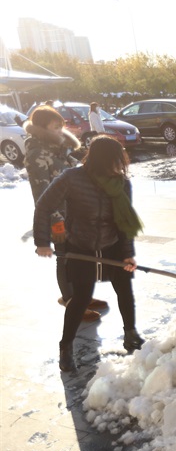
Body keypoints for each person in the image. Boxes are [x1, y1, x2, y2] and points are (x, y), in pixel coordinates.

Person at [33, 136, 145, 372]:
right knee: (81, 297)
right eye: (116, 159)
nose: (121, 163)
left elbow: (124, 223)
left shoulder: (121, 183)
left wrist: (127, 254)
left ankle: (131, 334)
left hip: (112, 244)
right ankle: (66, 348)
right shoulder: (72, 178)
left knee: (124, 288)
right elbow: (44, 206)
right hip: (81, 246)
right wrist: (42, 241)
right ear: (103, 160)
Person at [24, 105, 105, 322]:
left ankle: (82, 296)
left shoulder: (59, 148)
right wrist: (55, 221)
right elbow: (41, 193)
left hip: (76, 213)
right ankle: (71, 301)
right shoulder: (37, 154)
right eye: (55, 126)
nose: (61, 130)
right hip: (58, 217)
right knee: (66, 258)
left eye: (61, 126)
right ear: (42, 127)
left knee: (80, 258)